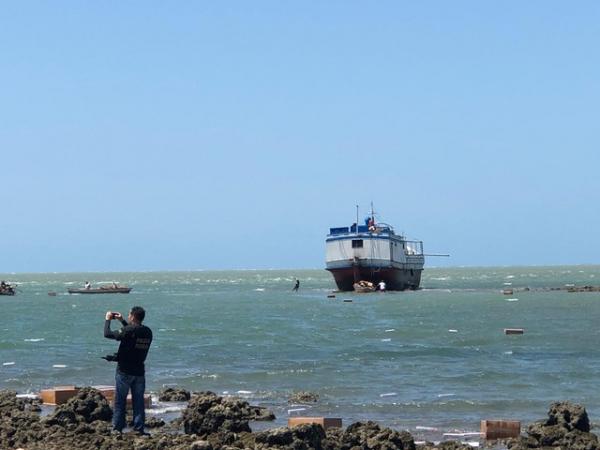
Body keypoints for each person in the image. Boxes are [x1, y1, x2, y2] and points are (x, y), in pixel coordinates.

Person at [104, 306, 153, 435]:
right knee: (139, 402)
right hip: (139, 372)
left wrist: (107, 320)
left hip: (124, 371)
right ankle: (139, 429)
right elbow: (131, 335)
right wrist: (122, 321)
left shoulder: (129, 330)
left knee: (120, 401)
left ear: (132, 316)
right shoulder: (148, 332)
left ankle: (117, 428)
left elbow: (108, 334)